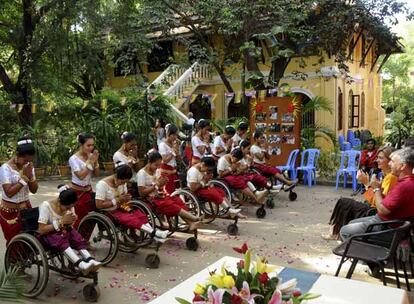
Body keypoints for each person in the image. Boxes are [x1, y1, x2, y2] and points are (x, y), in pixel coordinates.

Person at [322, 146, 397, 240]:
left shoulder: (391, 178)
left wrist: (367, 184)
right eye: (377, 157)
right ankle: (336, 232)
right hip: (377, 209)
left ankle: (337, 233)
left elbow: (376, 202)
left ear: (390, 161)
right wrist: (369, 185)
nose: (377, 160)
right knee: (344, 202)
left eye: (381, 158)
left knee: (345, 203)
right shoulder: (385, 175)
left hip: (377, 212)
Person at [340, 147, 414, 240]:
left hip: (386, 226)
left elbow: (382, 209)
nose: (390, 163)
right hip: (388, 221)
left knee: (345, 230)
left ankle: (363, 253)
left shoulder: (403, 184)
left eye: (392, 161)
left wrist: (373, 188)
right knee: (351, 223)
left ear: (402, 166)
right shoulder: (404, 181)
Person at [95, 162, 168, 242]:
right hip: (109, 212)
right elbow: (99, 205)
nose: (123, 184)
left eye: (125, 182)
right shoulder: (102, 185)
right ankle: (154, 233)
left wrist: (126, 198)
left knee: (139, 214)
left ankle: (155, 235)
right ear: (116, 176)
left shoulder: (123, 184)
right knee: (130, 218)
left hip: (121, 207)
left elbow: (123, 196)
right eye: (122, 182)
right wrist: (117, 200)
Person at [38, 185, 101, 275]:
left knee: (76, 237)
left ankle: (89, 259)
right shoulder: (46, 206)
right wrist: (61, 222)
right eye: (68, 208)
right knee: (61, 239)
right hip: (49, 234)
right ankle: (80, 264)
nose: (70, 209)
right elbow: (41, 230)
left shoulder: (69, 205)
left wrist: (73, 218)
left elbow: (70, 221)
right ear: (59, 202)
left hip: (63, 229)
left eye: (72, 207)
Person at [138, 151, 203, 231]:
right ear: (149, 162)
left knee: (177, 200)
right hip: (150, 199)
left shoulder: (157, 171)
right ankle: (194, 218)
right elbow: (142, 193)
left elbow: (159, 186)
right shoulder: (142, 173)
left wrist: (162, 183)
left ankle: (191, 223)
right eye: (156, 165)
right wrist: (156, 185)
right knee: (170, 204)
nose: (158, 167)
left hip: (159, 195)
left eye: (159, 165)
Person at [0, 138, 38, 244]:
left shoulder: (28, 167)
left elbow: (34, 190)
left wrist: (31, 177)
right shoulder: (5, 168)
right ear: (17, 155)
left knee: (29, 240)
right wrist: (24, 177)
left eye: (29, 160)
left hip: (26, 209)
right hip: (9, 213)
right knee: (14, 242)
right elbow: (9, 192)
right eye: (25, 160)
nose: (27, 162)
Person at [69, 132, 99, 228]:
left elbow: (97, 174)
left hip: (89, 191)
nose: (91, 148)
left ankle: (86, 240)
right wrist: (90, 162)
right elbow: (81, 176)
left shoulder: (91, 156)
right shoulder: (73, 159)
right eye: (88, 145)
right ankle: (78, 241)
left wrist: (96, 162)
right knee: (79, 219)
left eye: (92, 145)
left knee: (92, 218)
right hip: (77, 192)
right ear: (81, 145)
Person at [113, 132, 140, 197]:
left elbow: (138, 170)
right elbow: (124, 173)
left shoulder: (133, 153)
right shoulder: (117, 155)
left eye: (135, 145)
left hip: (136, 183)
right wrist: (130, 160)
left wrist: (135, 157)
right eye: (131, 145)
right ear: (125, 143)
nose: (134, 147)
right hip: (126, 186)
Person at [158, 124, 181, 194]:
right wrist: (173, 151)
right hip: (166, 173)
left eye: (176, 135)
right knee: (168, 193)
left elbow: (178, 159)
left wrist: (177, 148)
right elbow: (165, 160)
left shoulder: (174, 144)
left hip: (173, 171)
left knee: (176, 194)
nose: (175, 137)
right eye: (173, 135)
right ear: (168, 133)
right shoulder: (162, 145)